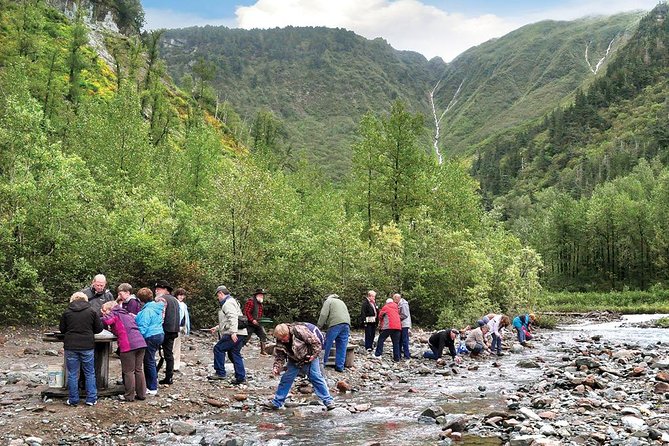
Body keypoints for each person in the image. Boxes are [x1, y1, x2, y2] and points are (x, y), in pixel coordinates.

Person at [267, 323, 335, 410]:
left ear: (288, 332)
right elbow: (280, 356)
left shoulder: (300, 331)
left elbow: (316, 343)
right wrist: (276, 368)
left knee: (316, 377)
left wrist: (313, 356)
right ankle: (276, 402)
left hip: (309, 356)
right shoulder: (280, 340)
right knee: (286, 379)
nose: (283, 341)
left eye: (284, 337)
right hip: (294, 359)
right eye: (281, 339)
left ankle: (328, 401)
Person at [60, 292, 104, 406]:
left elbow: (62, 329)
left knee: (73, 374)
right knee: (90, 373)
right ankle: (91, 399)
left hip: (71, 346)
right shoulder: (92, 312)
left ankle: (73, 399)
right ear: (85, 300)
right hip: (87, 345)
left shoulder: (67, 312)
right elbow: (99, 329)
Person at [101, 301, 147, 402]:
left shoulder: (114, 313)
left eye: (104, 310)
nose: (104, 312)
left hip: (128, 344)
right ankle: (142, 394)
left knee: (128, 371)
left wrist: (100, 317)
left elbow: (107, 321)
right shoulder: (126, 313)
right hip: (141, 342)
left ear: (109, 309)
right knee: (138, 370)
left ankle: (129, 396)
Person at [208, 285, 247, 384]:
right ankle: (240, 377)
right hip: (241, 332)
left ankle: (220, 373)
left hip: (234, 333)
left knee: (218, 348)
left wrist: (233, 333)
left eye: (218, 295)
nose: (218, 298)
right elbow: (228, 320)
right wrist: (217, 328)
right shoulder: (233, 301)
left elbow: (233, 318)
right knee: (234, 353)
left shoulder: (227, 303)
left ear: (221, 293)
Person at [135, 287, 164, 396]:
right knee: (151, 360)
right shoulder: (157, 307)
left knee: (148, 361)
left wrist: (137, 339)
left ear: (141, 300)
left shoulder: (147, 310)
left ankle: (151, 387)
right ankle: (152, 383)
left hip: (150, 336)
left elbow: (143, 327)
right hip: (159, 334)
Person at [317, 293, 351, 372]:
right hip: (346, 324)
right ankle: (340, 367)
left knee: (327, 344)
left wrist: (318, 326)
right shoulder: (341, 302)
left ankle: (322, 364)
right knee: (342, 346)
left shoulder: (328, 301)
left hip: (335, 324)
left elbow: (323, 314)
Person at [155, 280, 180, 385]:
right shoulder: (175, 300)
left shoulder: (162, 299)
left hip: (164, 330)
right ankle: (169, 377)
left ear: (165, 289)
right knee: (169, 354)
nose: (156, 291)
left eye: (159, 289)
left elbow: (160, 315)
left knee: (152, 353)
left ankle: (152, 374)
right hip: (173, 330)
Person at [243, 288, 268, 355]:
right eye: (261, 295)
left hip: (258, 323)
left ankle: (263, 351)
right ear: (257, 295)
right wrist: (252, 320)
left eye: (262, 295)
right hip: (249, 324)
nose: (262, 296)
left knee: (263, 335)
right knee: (245, 338)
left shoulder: (260, 303)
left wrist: (260, 320)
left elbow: (259, 314)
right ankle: (236, 351)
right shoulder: (250, 301)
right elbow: (246, 312)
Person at [173, 288, 191, 372]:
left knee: (177, 347)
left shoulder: (183, 305)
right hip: (173, 327)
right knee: (171, 346)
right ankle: (171, 364)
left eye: (183, 295)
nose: (181, 296)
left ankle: (176, 364)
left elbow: (185, 317)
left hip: (180, 327)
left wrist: (186, 328)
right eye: (180, 295)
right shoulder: (174, 303)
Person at [393, 293, 412, 359]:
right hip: (401, 324)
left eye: (394, 299)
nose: (394, 301)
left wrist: (396, 317)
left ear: (397, 298)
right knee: (400, 339)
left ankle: (407, 355)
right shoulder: (400, 303)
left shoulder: (404, 304)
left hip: (404, 324)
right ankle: (400, 354)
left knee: (404, 340)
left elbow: (405, 315)